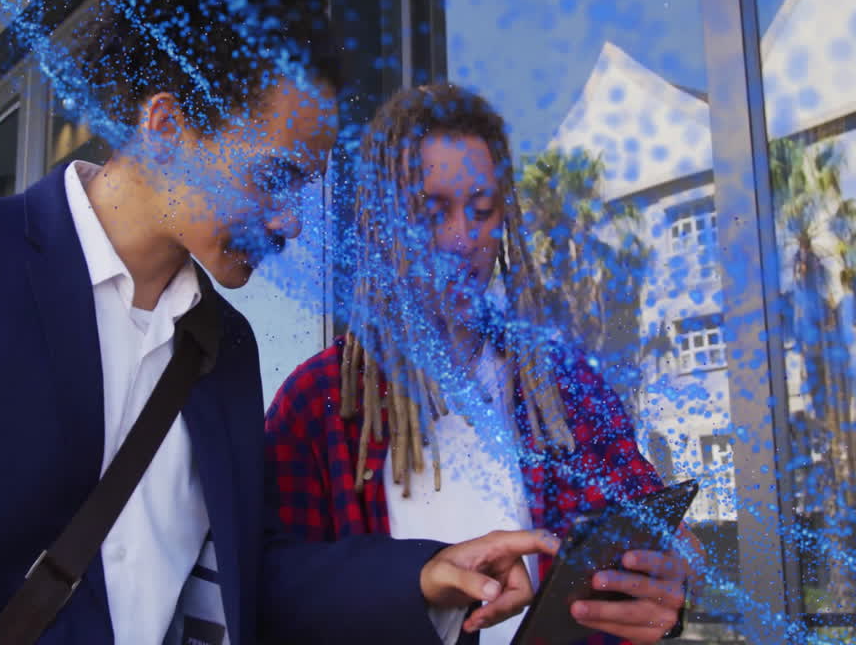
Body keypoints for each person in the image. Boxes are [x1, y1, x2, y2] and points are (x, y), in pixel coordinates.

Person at [0, 0, 554, 644]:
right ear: (168, 126)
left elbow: (246, 584)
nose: (288, 224)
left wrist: (424, 573)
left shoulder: (227, 348)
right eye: (274, 178)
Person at [266, 83, 705, 645]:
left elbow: (654, 534)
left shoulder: (564, 385)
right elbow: (275, 600)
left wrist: (669, 587)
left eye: (481, 209)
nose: (461, 237)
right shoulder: (318, 401)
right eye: (431, 211)